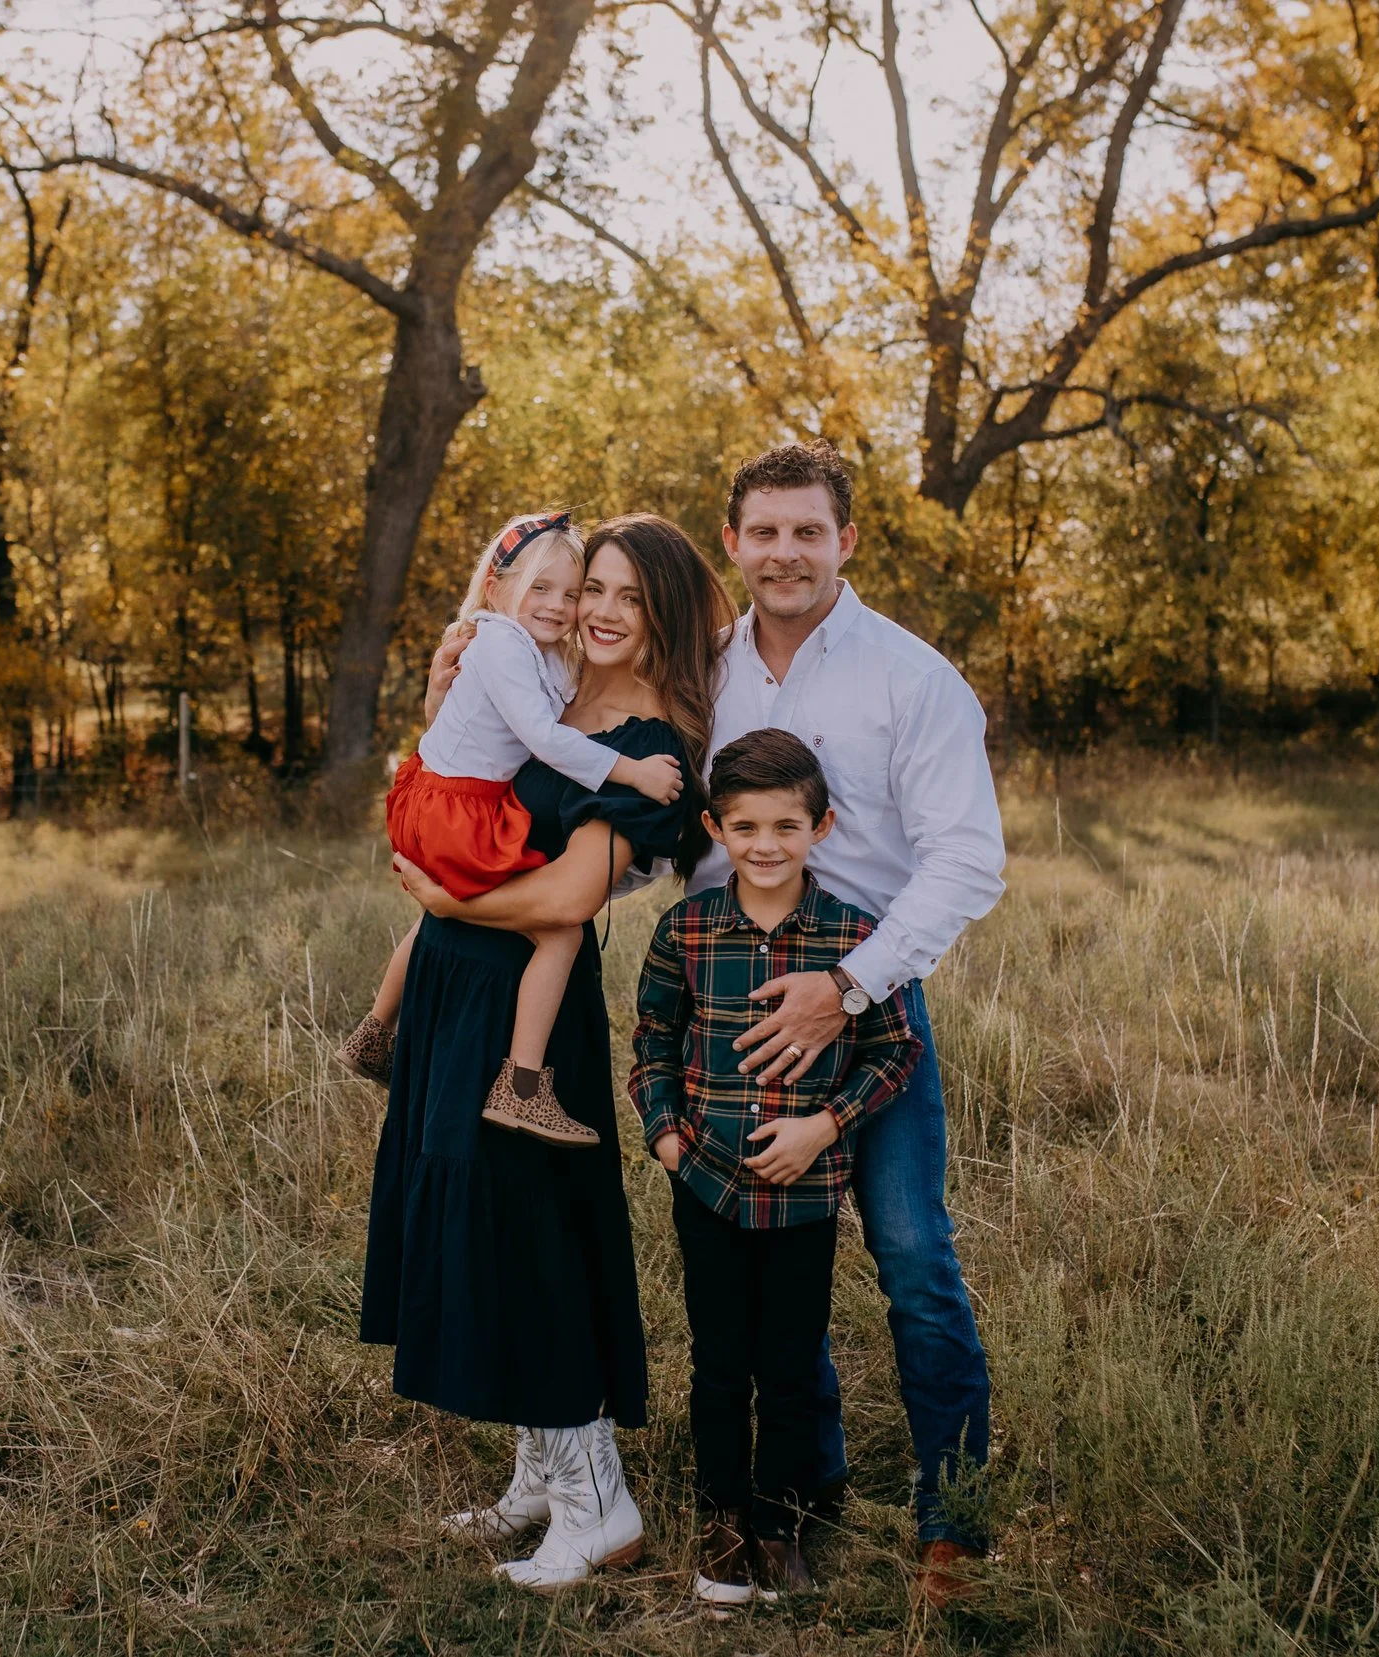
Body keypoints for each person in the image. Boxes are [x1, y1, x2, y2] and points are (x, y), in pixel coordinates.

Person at [370, 513, 734, 1591]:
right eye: (594, 592)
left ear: (666, 611)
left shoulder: (651, 746)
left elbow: (573, 895)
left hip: (520, 1005)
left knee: (531, 1235)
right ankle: (539, 1472)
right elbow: (464, 773)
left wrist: (443, 898)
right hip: (458, 986)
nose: (601, 612)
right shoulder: (558, 688)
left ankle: (598, 1503)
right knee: (482, 1221)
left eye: (627, 596)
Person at [699, 440, 1006, 1605]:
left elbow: (967, 859)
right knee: (773, 1266)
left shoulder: (910, 678)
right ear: (732, 541)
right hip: (728, 999)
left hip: (868, 996)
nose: (785, 552)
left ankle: (954, 1524)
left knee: (914, 1255)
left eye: (807, 530)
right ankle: (800, 1489)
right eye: (764, 531)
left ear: (846, 541)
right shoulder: (705, 670)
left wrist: (850, 984)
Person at [630, 728, 921, 1605]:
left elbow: (894, 1051)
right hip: (707, 1182)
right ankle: (721, 1521)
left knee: (792, 1363)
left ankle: (781, 1524)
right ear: (716, 826)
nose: (765, 845)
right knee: (719, 1360)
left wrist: (825, 1128)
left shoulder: (852, 937)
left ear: (821, 826)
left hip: (804, 1193)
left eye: (786, 827)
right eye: (746, 826)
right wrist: (667, 1138)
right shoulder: (686, 928)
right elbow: (651, 1039)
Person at [337, 511, 685, 1147]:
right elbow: (539, 742)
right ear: (496, 588)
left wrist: (448, 902)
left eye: (574, 592)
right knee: (560, 938)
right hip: (454, 847)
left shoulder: (545, 659)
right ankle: (521, 1085)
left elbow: (496, 733)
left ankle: (377, 1030)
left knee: (447, 911)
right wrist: (632, 773)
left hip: (453, 860)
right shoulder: (510, 649)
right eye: (584, 590)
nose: (572, 607)